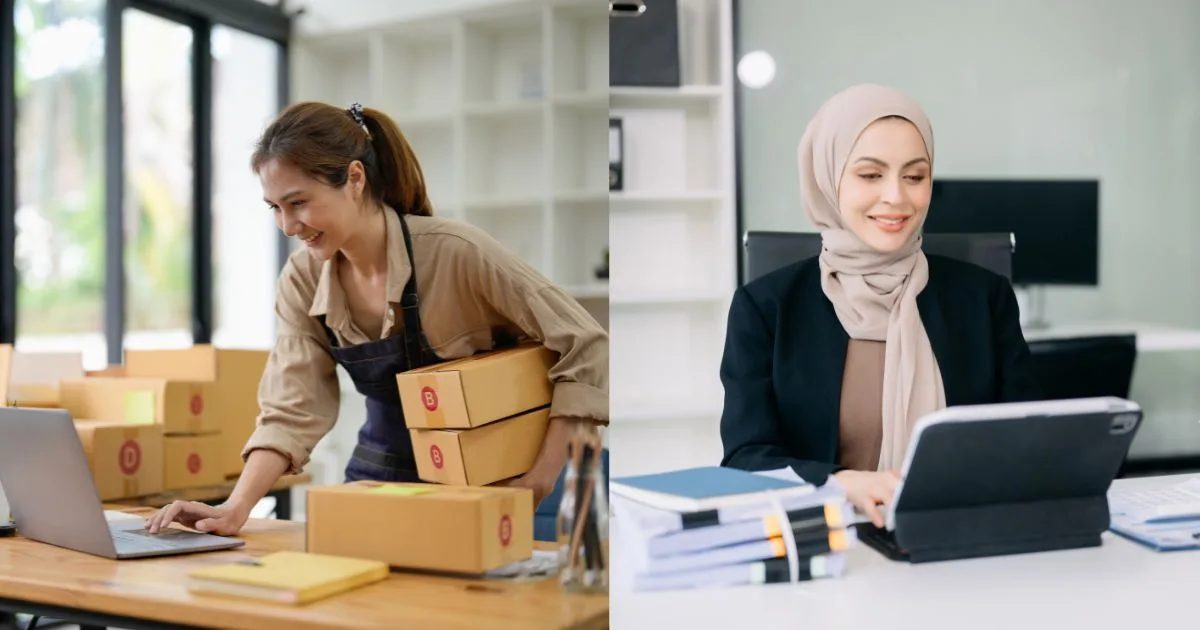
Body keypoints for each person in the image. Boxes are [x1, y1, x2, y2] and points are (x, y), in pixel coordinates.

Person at [145, 101, 608, 536]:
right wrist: (235, 508)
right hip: (378, 474)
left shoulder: (455, 252)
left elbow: (585, 344)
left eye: (299, 202)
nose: (287, 226)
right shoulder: (302, 280)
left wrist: (540, 480)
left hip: (491, 480)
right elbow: (293, 407)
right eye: (275, 208)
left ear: (354, 178)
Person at [718, 84, 1032, 527]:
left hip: (962, 538)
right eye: (869, 175)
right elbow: (746, 461)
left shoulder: (985, 298)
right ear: (829, 179)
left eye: (914, 176)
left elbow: (1026, 440)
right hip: (829, 540)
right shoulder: (765, 308)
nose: (896, 197)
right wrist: (844, 483)